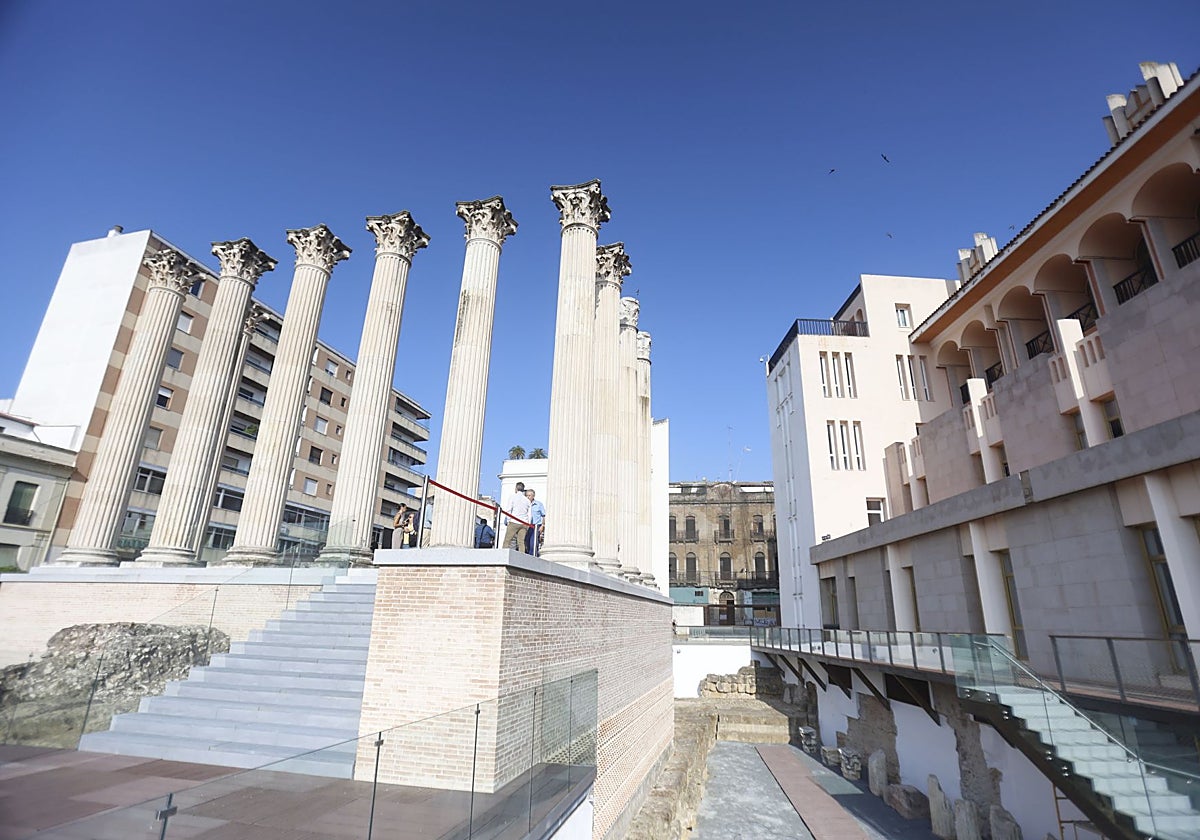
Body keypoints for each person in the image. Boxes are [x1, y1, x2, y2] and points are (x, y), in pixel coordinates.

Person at [501, 481, 531, 553]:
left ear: (516, 488)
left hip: (514, 521)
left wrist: (508, 520)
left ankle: (503, 555)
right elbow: (529, 514)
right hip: (524, 523)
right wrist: (528, 524)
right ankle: (522, 557)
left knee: (507, 540)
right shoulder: (527, 500)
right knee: (521, 542)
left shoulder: (512, 497)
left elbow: (508, 509)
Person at [524, 488, 546, 555]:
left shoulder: (539, 504)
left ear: (533, 496)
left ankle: (533, 556)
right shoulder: (524, 504)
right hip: (526, 525)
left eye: (529, 495)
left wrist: (542, 525)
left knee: (533, 543)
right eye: (526, 495)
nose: (528, 497)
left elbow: (544, 515)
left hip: (535, 526)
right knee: (526, 542)